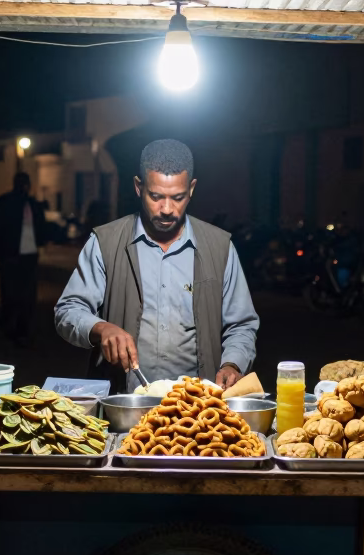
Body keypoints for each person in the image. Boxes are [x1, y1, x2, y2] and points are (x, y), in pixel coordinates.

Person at [54, 139, 259, 392]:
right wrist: (100, 328)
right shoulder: (105, 243)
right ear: (139, 187)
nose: (166, 209)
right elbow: (68, 310)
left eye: (178, 197)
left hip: (196, 409)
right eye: (156, 196)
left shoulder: (220, 247)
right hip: (123, 400)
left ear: (191, 189)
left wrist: (233, 364)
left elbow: (241, 324)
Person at [0, 172, 47, 345]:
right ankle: (12, 328)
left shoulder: (27, 204)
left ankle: (20, 329)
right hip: (12, 255)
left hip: (25, 256)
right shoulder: (12, 203)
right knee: (13, 294)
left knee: (23, 295)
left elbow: (40, 228)